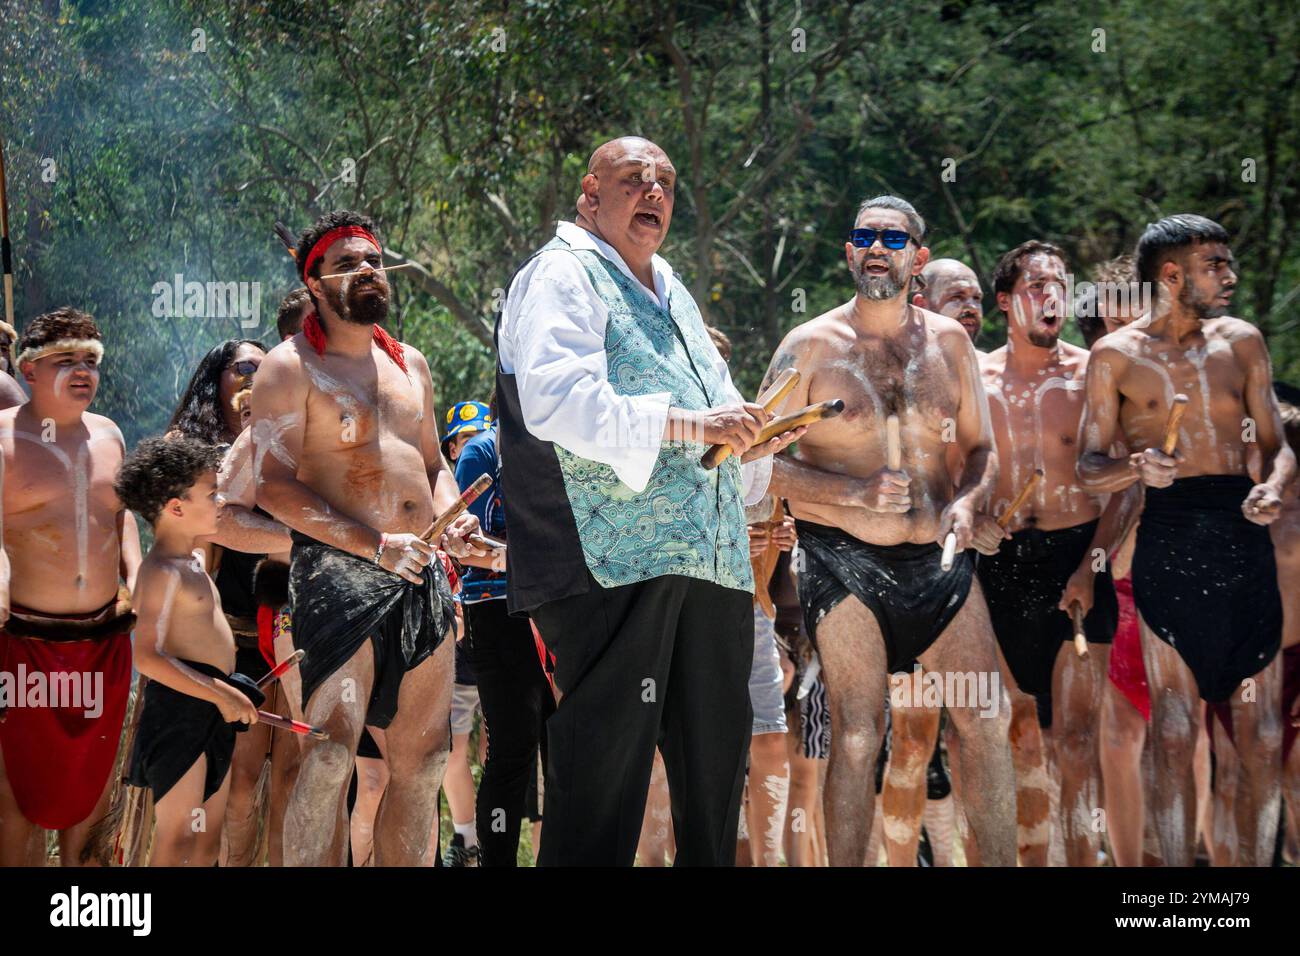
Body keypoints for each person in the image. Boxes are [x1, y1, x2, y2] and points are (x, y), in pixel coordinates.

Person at [495, 136, 802, 865]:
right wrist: (697, 424)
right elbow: (558, 402)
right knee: (602, 775)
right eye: (635, 179)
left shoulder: (671, 283)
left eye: (665, 181)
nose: (655, 193)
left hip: (710, 567)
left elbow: (720, 411)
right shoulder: (560, 274)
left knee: (714, 775)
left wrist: (754, 443)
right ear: (589, 195)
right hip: (608, 563)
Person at [762, 194, 1015, 866]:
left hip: (937, 559)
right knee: (856, 734)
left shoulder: (953, 344)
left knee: (987, 720)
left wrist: (966, 504)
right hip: (841, 559)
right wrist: (852, 491)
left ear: (918, 257)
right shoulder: (810, 345)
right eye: (864, 236)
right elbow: (752, 461)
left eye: (893, 238)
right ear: (849, 252)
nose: (877, 246)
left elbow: (981, 452)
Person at [250, 210, 482, 866]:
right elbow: (272, 487)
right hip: (336, 575)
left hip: (423, 577)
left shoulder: (413, 365)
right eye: (348, 262)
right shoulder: (287, 367)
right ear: (315, 283)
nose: (367, 270)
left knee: (425, 763)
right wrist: (373, 545)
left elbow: (434, 468)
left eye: (374, 259)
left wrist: (453, 520)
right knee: (328, 756)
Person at [1078, 213, 1295, 866]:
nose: (1230, 276)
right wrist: (1135, 468)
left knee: (1259, 733)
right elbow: (1089, 469)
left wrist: (1274, 486)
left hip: (1241, 530)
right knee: (1172, 730)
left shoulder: (1244, 342)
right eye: (1216, 264)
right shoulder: (1114, 357)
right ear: (1171, 277)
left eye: (1228, 262)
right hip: (1168, 539)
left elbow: (1280, 448)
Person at [974, 240, 1130, 865]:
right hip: (1001, 567)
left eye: (1061, 284)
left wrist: (1092, 568)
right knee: (1017, 735)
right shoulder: (975, 379)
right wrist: (975, 517)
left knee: (1076, 740)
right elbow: (955, 476)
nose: (1053, 297)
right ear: (1007, 301)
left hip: (1078, 556)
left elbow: (1126, 485)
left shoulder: (1096, 372)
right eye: (1038, 286)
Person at [0, 308, 141, 866]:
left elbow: (122, 514)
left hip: (105, 643)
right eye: (66, 360)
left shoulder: (109, 435)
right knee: (16, 797)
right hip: (25, 647)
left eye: (91, 361)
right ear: (29, 370)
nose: (82, 371)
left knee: (95, 793)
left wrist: (136, 571)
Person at [116, 435, 260, 865]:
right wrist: (221, 693)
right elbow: (146, 657)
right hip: (180, 714)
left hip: (212, 710)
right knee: (177, 840)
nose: (221, 501)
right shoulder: (160, 570)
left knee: (205, 842)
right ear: (176, 507)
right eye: (213, 493)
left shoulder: (194, 561)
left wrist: (226, 695)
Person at [914, 258, 984, 344]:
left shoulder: (989, 358)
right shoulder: (897, 356)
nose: (973, 308)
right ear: (920, 305)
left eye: (976, 298)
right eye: (957, 297)